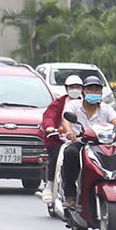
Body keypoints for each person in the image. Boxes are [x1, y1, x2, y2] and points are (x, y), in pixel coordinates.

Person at [59, 75, 116, 202]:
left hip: (100, 145)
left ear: (101, 93)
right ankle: (70, 194)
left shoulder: (106, 109)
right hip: (80, 143)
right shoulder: (73, 106)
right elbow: (65, 121)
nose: (94, 93)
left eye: (97, 90)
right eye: (90, 89)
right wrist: (70, 131)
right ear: (83, 91)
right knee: (70, 153)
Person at [39, 74, 82, 203]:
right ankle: (50, 185)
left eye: (78, 87)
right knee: (57, 155)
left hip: (83, 139)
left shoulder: (87, 103)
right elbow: (49, 116)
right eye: (72, 87)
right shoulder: (59, 104)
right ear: (66, 88)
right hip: (61, 138)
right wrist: (50, 127)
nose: (75, 89)